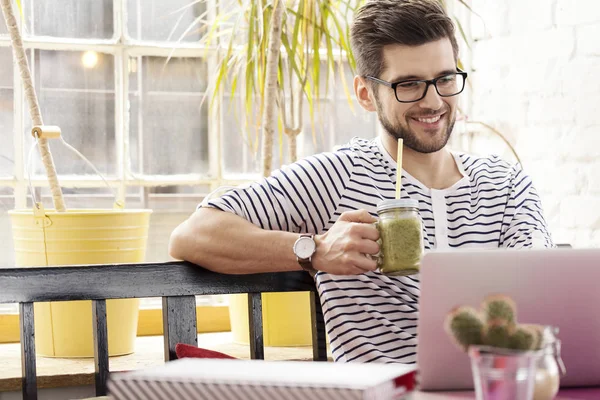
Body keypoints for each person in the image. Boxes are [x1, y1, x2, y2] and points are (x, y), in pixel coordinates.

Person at [169, 0, 553, 364]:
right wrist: (314, 250)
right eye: (409, 85)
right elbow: (193, 235)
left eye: (445, 78)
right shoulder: (337, 175)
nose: (433, 101)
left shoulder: (506, 185)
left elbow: (545, 295)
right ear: (366, 94)